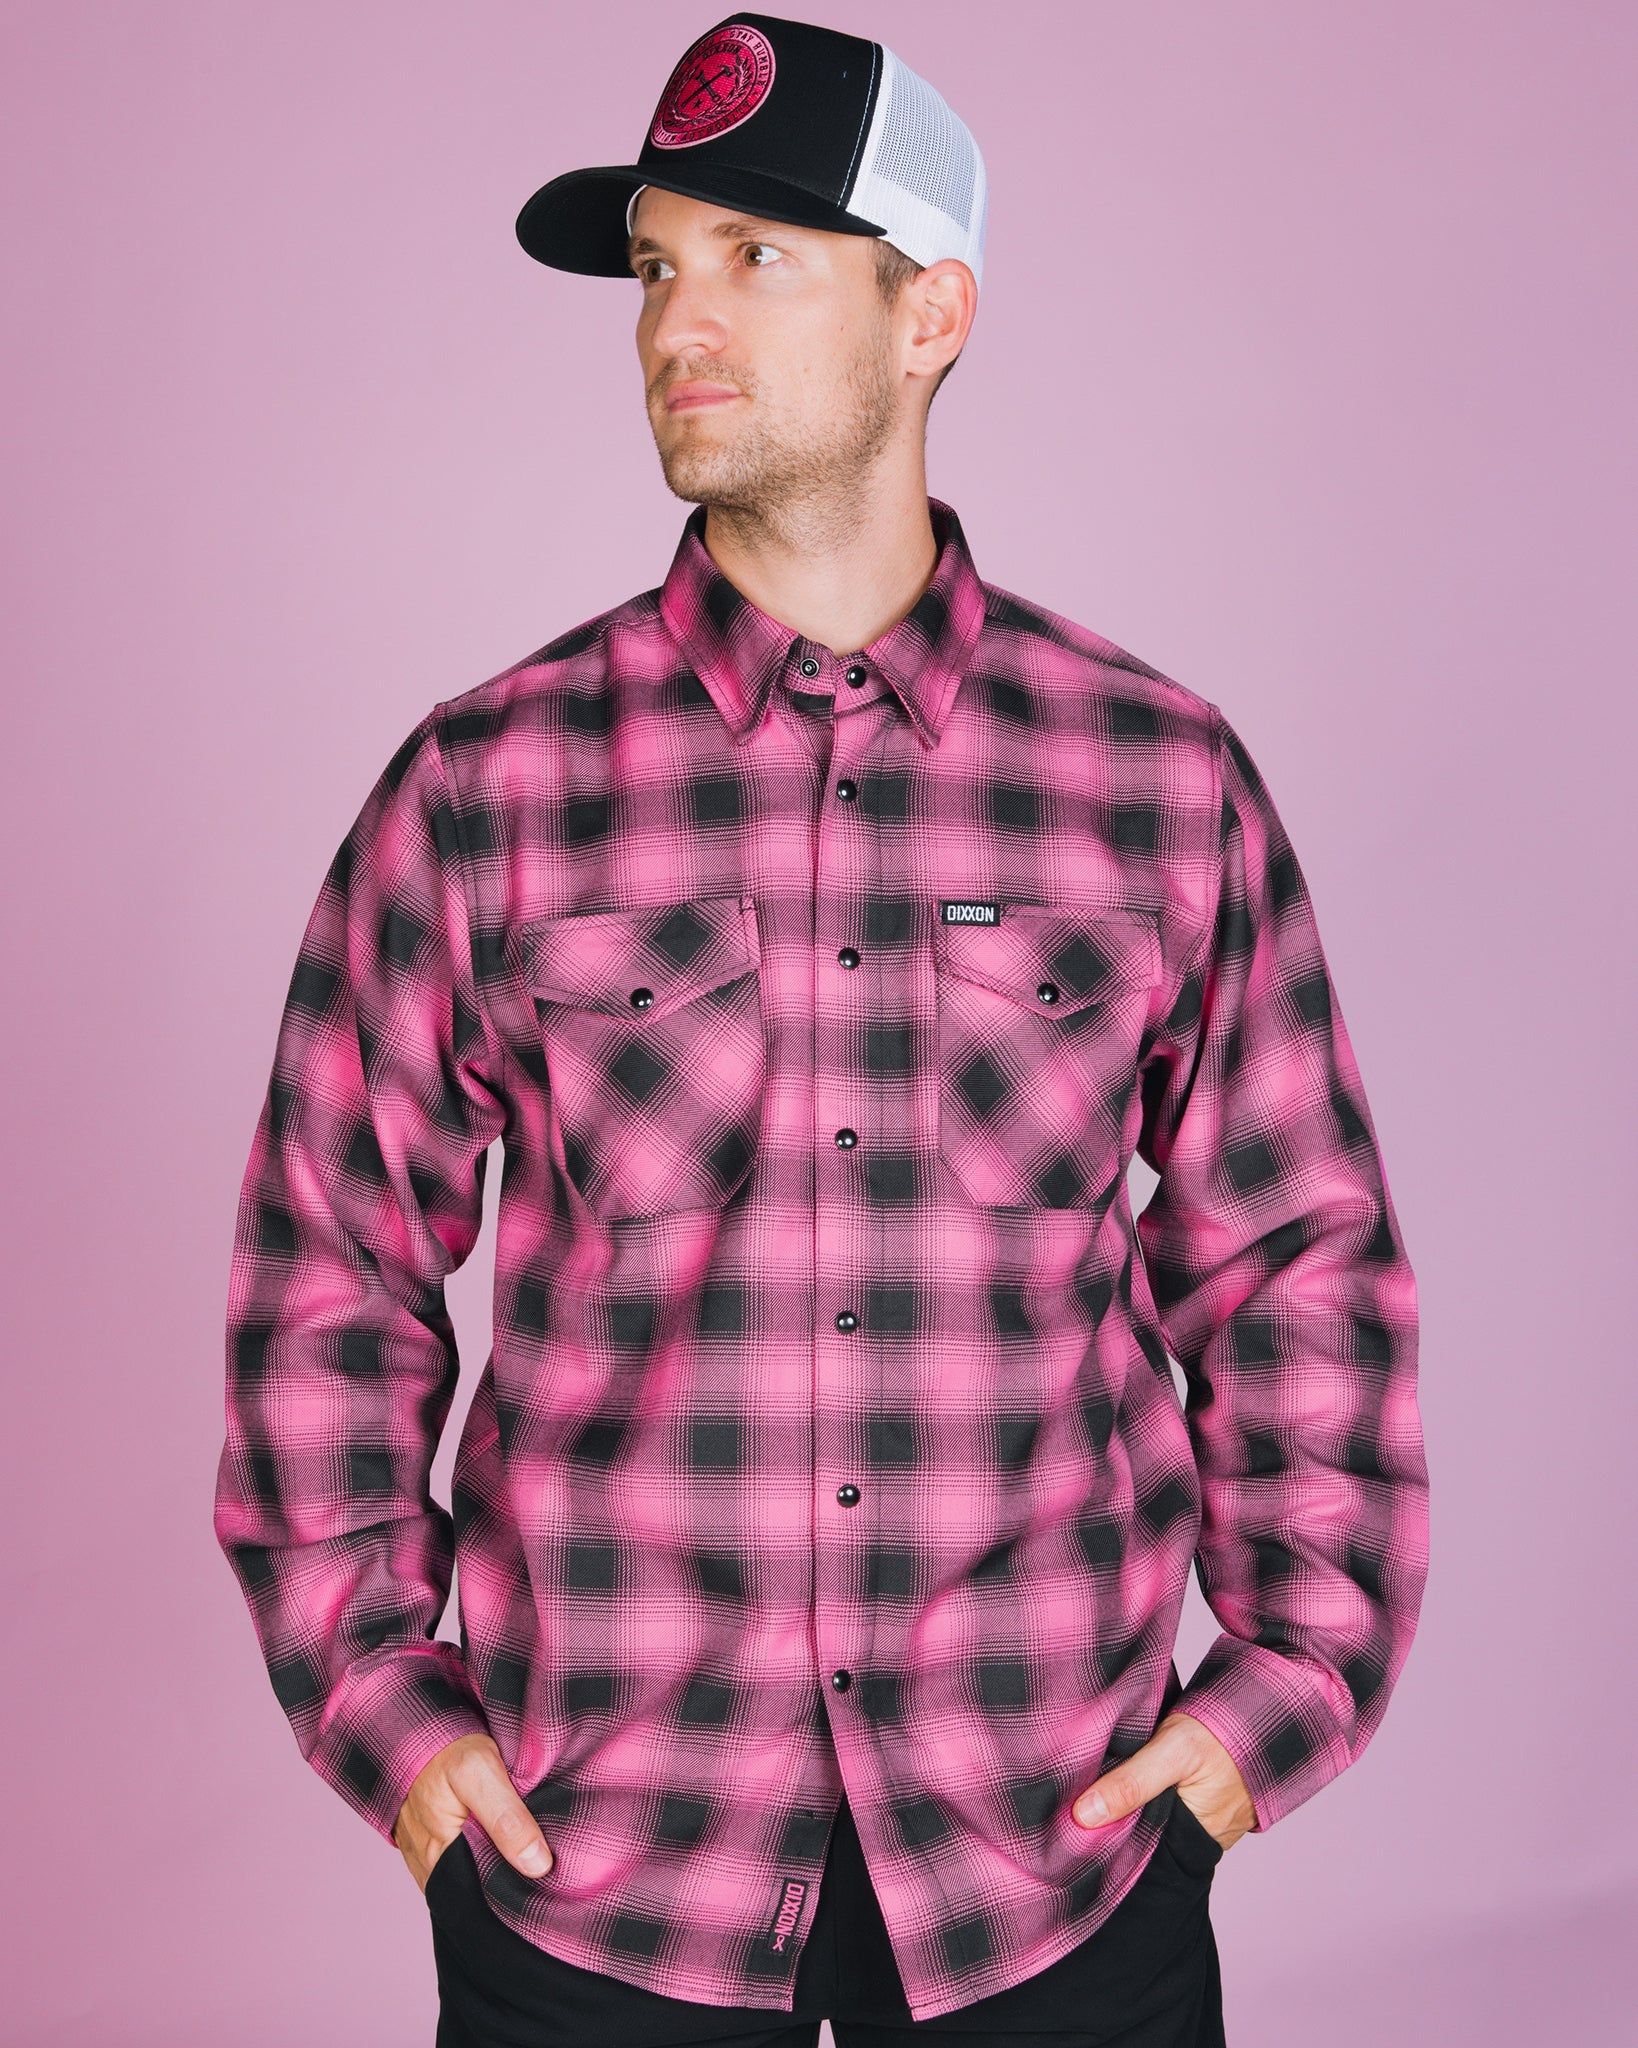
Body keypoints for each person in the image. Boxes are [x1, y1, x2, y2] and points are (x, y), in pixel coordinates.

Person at [213, 13, 1430, 2045]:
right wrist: (385, 1710)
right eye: (656, 266)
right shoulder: (486, 785)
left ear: (928, 313)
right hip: (598, 1874)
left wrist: (1278, 1695)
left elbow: (1297, 1254)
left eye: (756, 257)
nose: (674, 322)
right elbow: (327, 1268)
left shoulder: (1157, 778)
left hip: (1059, 1859)